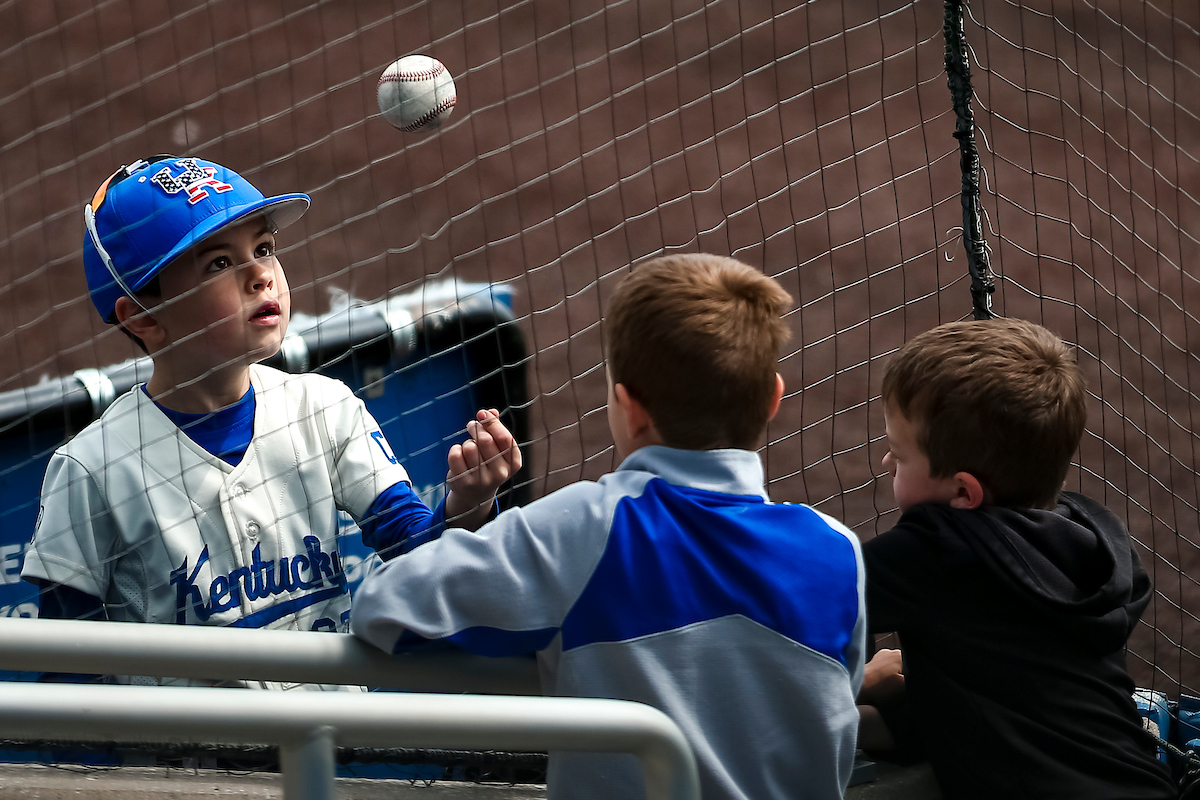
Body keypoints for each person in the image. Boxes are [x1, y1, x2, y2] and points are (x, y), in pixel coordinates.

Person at [351, 253, 868, 800]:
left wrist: (472, 521)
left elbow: (383, 609)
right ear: (772, 400)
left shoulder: (581, 528)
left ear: (628, 406)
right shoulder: (839, 554)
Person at [21, 156, 521, 681]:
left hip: (329, 750)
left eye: (263, 249)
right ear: (143, 318)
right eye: (218, 263)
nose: (260, 274)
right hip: (173, 764)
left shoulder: (325, 408)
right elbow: (65, 669)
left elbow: (412, 550)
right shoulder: (90, 468)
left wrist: (466, 506)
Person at [860, 318, 1174, 799]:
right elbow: (1015, 701)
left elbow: (806, 596)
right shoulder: (1090, 537)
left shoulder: (937, 549)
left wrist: (850, 684)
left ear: (964, 491)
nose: (885, 464)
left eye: (898, 456)